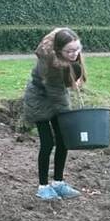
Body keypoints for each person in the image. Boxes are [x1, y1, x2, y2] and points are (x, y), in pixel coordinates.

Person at [23, 28, 87, 201]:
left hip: (55, 95)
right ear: (59, 50)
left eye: (77, 49)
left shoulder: (69, 56)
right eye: (69, 51)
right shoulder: (49, 63)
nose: (74, 54)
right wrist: (70, 118)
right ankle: (43, 187)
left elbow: (62, 88)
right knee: (48, 143)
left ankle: (58, 183)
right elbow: (57, 95)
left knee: (63, 140)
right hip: (39, 100)